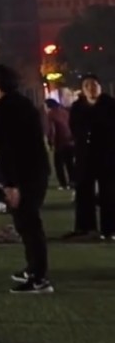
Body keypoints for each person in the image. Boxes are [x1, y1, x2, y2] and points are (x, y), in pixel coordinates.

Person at [0, 64, 54, 294]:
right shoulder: (22, 104)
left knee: (29, 224)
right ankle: (33, 268)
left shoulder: (5, 110)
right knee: (26, 223)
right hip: (34, 172)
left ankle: (39, 278)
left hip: (25, 176)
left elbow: (8, 151)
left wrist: (12, 184)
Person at [67, 74, 115, 240]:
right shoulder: (77, 107)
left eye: (93, 85)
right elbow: (74, 128)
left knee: (108, 192)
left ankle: (110, 229)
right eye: (86, 86)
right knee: (83, 191)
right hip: (85, 155)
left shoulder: (110, 105)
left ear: (100, 86)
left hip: (107, 154)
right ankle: (85, 227)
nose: (90, 89)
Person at [44, 98, 75, 191]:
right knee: (70, 163)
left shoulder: (51, 114)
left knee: (59, 164)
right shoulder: (65, 112)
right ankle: (73, 182)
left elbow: (52, 129)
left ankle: (63, 184)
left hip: (60, 142)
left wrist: (50, 141)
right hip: (70, 141)